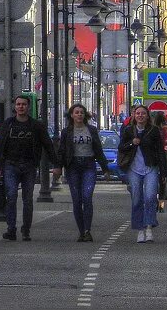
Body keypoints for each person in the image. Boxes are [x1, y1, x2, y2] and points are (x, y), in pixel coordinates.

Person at [0, 95, 57, 242]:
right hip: (11, 165)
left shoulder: (36, 126)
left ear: (28, 107)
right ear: (15, 107)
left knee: (27, 199)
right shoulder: (8, 124)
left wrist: (56, 165)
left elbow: (47, 144)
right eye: (18, 104)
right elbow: (0, 146)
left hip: (29, 165)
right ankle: (11, 229)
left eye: (23, 104)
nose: (21, 107)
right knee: (11, 197)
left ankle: (26, 230)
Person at [54, 103, 111, 242]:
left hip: (88, 165)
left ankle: (87, 230)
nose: (79, 114)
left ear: (85, 115)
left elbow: (98, 149)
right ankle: (81, 231)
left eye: (81, 112)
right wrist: (58, 167)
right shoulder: (67, 131)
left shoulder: (91, 130)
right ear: (72, 115)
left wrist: (105, 169)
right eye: (76, 112)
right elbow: (62, 151)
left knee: (87, 197)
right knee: (77, 200)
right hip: (72, 166)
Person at [119, 105, 167, 242]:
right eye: (138, 113)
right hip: (134, 169)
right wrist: (131, 143)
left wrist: (163, 172)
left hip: (150, 167)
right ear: (134, 116)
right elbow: (121, 147)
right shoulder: (129, 130)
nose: (140, 116)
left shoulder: (154, 131)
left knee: (150, 197)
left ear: (147, 116)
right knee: (136, 199)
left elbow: (160, 151)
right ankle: (140, 229)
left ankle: (148, 227)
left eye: (143, 113)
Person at [153, 111, 167, 211]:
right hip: (165, 155)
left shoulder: (152, 130)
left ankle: (154, 199)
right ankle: (161, 203)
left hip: (154, 154)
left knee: (152, 177)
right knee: (163, 179)